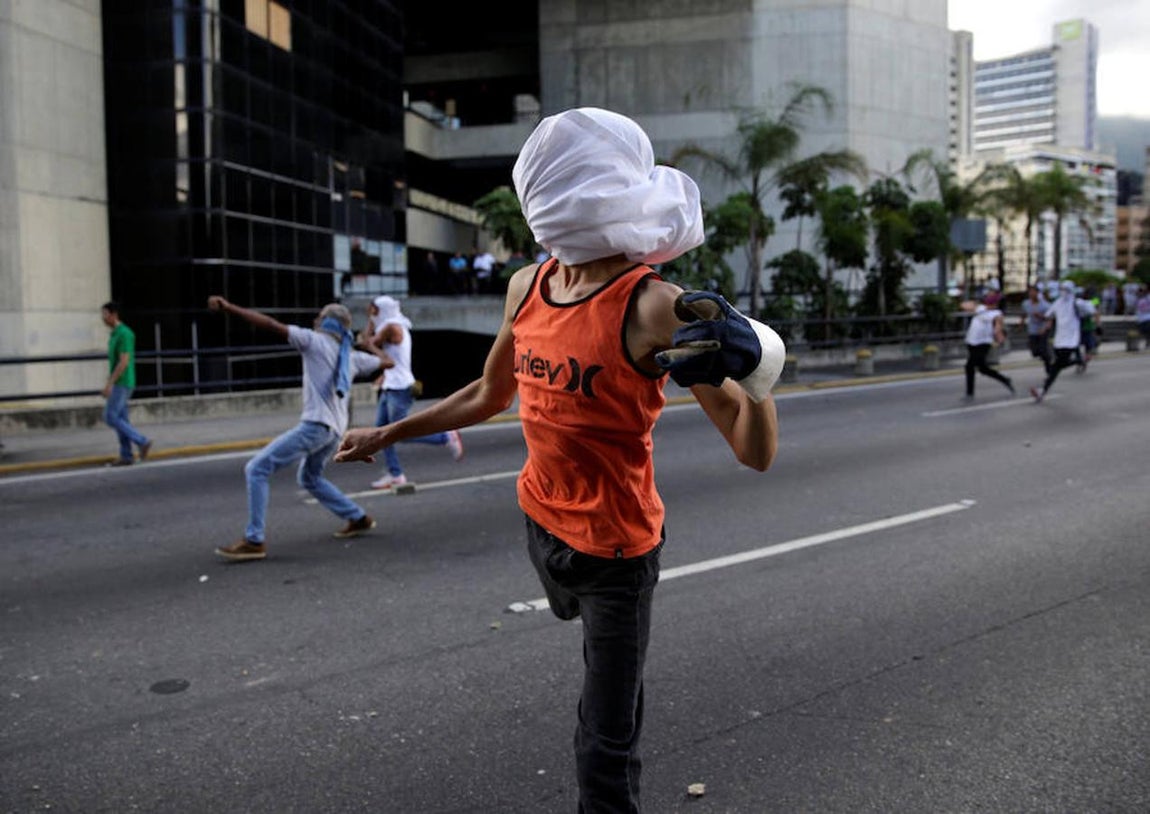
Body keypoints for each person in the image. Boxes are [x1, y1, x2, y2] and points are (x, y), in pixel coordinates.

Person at [335, 107, 784, 812]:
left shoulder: (655, 306)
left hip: (615, 554)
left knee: (603, 748)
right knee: (586, 651)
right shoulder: (528, 285)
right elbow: (490, 392)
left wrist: (759, 368)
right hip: (541, 528)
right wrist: (386, 434)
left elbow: (754, 453)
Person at [208, 297, 388, 561]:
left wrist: (229, 307)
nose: (314, 320)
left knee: (257, 469)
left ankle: (254, 540)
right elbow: (388, 363)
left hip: (316, 426)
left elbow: (271, 325)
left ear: (326, 322)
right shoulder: (351, 357)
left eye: (319, 317)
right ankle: (357, 517)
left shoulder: (313, 341)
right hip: (335, 431)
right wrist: (369, 345)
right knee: (310, 478)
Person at [364, 295, 463, 490]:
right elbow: (393, 358)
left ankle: (445, 437)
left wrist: (371, 329)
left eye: (375, 309)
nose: (372, 313)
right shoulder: (394, 325)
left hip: (400, 388)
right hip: (391, 386)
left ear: (383, 310)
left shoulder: (391, 327)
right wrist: (384, 374)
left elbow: (367, 342)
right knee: (381, 433)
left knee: (399, 433)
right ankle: (396, 474)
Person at [100, 301, 153, 466]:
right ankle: (126, 455)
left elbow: (124, 361)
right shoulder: (114, 334)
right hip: (120, 381)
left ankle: (142, 441)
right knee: (121, 418)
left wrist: (109, 383)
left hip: (122, 382)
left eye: (105, 314)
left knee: (110, 416)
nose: (103, 318)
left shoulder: (125, 334)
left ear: (114, 315)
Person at [1030, 280, 1096, 403]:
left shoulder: (1077, 302)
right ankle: (1080, 360)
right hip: (1059, 339)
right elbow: (1048, 315)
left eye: (1065, 289)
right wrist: (1040, 318)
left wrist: (1086, 307)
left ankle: (1042, 391)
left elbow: (1091, 310)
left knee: (1057, 366)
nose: (1063, 292)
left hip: (1071, 339)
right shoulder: (1058, 303)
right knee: (1059, 365)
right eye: (1061, 289)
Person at [961, 291, 1014, 400]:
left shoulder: (997, 313)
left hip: (983, 343)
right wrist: (977, 305)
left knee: (969, 366)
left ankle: (969, 393)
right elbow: (964, 305)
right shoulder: (981, 308)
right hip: (972, 341)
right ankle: (1005, 379)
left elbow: (998, 327)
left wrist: (998, 336)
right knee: (983, 368)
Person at [1020, 284, 1052, 369]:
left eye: (1033, 292)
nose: (1031, 293)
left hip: (1043, 327)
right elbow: (1024, 314)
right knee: (1034, 351)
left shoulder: (1045, 305)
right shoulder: (1026, 303)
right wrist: (1021, 323)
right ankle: (1047, 357)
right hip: (1032, 328)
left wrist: (1041, 317)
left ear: (1038, 293)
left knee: (1042, 349)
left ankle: (1049, 364)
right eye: (1030, 292)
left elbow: (1050, 318)